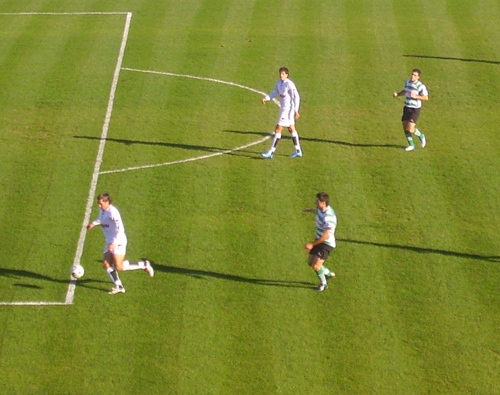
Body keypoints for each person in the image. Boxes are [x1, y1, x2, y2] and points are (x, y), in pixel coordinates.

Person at [87, 193, 154, 295]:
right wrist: (93, 224)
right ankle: (119, 286)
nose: (99, 206)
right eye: (98, 203)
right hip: (109, 241)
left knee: (118, 266)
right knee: (106, 264)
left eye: (100, 204)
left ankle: (144, 265)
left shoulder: (114, 213)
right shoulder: (103, 210)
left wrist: (114, 243)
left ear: (107, 202)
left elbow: (120, 230)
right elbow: (101, 218)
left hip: (118, 240)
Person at [261, 67, 303, 158]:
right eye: (280, 73)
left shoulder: (290, 84)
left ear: (287, 75)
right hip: (284, 109)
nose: (281, 75)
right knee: (291, 129)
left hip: (288, 110)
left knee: (278, 129)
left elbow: (296, 97)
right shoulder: (279, 83)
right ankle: (298, 151)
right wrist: (267, 98)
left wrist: (296, 110)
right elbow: (275, 92)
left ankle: (271, 152)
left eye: (283, 74)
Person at [303, 192, 337, 291]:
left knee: (316, 265)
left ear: (323, 203)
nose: (315, 202)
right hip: (319, 240)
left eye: (317, 201)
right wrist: (310, 210)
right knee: (310, 262)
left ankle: (324, 284)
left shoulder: (328, 218)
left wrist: (312, 244)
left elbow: (325, 236)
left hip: (326, 243)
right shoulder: (322, 209)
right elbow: (318, 212)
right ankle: (329, 274)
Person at [393, 68, 429, 151]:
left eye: (415, 75)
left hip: (415, 109)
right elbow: (405, 91)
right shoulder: (407, 82)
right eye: (412, 74)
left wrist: (416, 96)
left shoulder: (421, 86)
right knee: (405, 127)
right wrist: (398, 94)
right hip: (407, 107)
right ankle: (412, 145)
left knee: (410, 129)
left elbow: (426, 97)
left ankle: (421, 136)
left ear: (418, 77)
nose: (412, 76)